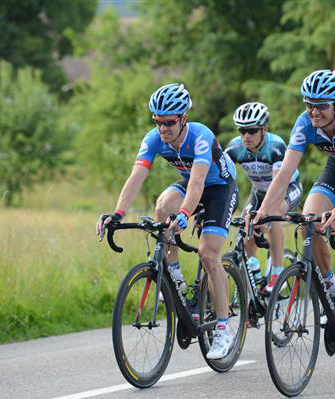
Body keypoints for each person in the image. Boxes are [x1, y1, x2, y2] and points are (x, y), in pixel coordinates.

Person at [96, 83, 239, 360]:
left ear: (183, 118)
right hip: (192, 184)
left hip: (219, 187)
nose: (163, 129)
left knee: (209, 254)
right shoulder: (154, 138)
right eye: (158, 122)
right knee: (161, 207)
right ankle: (173, 274)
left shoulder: (200, 136)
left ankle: (223, 328)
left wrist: (185, 214)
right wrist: (117, 214)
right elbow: (136, 177)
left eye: (169, 122)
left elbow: (198, 182)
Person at [250, 70, 335, 352]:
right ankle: (331, 285)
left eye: (321, 105)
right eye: (309, 104)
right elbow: (285, 172)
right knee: (307, 224)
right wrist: (263, 211)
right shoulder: (304, 123)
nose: (314, 112)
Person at [225, 102, 303, 293]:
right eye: (242, 130)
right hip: (259, 192)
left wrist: (265, 214)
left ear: (264, 129)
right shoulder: (235, 148)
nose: (246, 136)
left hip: (287, 189)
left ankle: (277, 274)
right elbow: (222, 179)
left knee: (272, 214)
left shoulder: (275, 146)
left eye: (251, 131)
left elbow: (278, 185)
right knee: (247, 225)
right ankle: (252, 273)